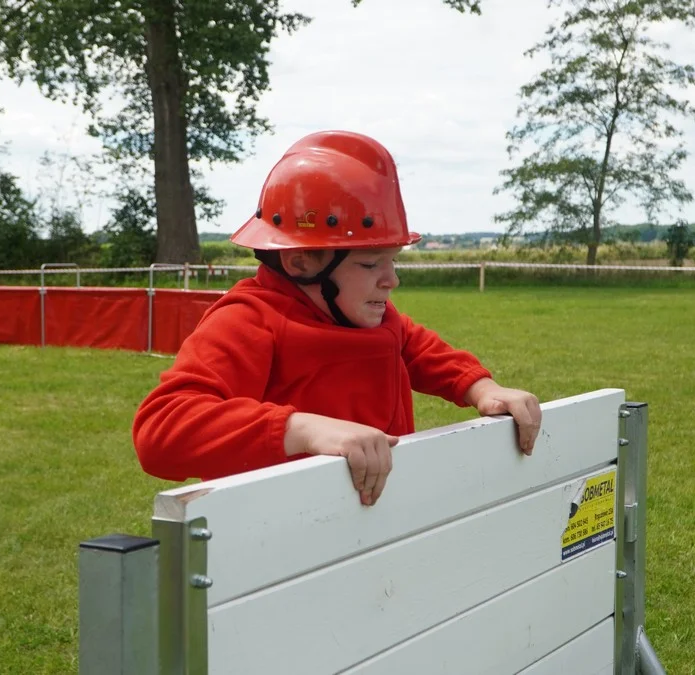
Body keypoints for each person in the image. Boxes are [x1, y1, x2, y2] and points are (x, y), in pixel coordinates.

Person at [132, 130, 542, 506]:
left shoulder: (372, 318)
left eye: (392, 261)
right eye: (369, 264)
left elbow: (417, 347)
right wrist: (306, 429)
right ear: (301, 262)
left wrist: (480, 387)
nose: (391, 280)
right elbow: (161, 430)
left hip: (371, 531)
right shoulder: (247, 320)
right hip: (278, 546)